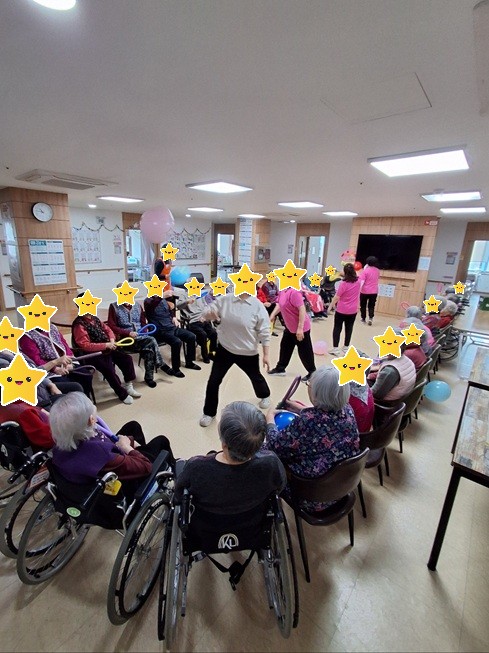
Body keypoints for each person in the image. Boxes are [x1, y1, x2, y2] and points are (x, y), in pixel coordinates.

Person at [264, 366, 360, 511]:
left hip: (311, 496)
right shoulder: (348, 410)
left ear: (316, 394)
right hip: (342, 486)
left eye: (310, 385)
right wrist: (302, 410)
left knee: (263, 451)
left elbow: (274, 445)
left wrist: (270, 419)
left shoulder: (307, 422)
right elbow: (324, 419)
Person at [49, 392, 175, 496]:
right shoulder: (101, 454)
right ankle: (174, 474)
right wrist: (127, 448)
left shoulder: (59, 447)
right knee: (161, 441)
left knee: (133, 426)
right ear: (91, 420)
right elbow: (146, 467)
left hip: (90, 471)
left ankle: (140, 450)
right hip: (123, 482)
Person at [174, 401, 286, 513]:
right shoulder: (271, 463)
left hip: (206, 522)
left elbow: (178, 496)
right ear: (260, 443)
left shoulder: (196, 467)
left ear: (224, 445)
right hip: (253, 520)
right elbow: (279, 486)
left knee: (180, 465)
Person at [198, 291, 271, 427]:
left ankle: (265, 395)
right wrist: (209, 315)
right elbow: (206, 312)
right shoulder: (225, 300)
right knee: (213, 381)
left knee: (255, 376)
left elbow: (265, 331)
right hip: (225, 349)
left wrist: (266, 354)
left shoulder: (257, 306)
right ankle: (209, 413)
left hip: (247, 352)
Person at [71, 313, 141, 404]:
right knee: (108, 369)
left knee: (127, 359)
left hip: (107, 348)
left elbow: (108, 330)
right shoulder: (79, 325)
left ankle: (128, 385)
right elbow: (85, 345)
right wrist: (106, 345)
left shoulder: (95, 318)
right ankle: (121, 393)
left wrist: (112, 340)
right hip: (92, 354)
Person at [107, 297, 173, 387]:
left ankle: (149, 378)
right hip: (126, 341)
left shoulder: (137, 305)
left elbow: (143, 323)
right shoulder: (114, 307)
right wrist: (128, 333)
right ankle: (161, 364)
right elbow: (111, 326)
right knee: (151, 341)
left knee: (149, 349)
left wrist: (143, 333)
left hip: (141, 338)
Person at [19, 324, 94, 398]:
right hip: (49, 371)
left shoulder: (53, 328)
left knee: (86, 375)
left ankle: (86, 400)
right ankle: (73, 402)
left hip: (66, 364)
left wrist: (70, 363)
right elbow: (36, 360)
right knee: (69, 384)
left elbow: (65, 346)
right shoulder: (26, 337)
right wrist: (55, 369)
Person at [144, 292, 201, 378]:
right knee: (176, 342)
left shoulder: (163, 300)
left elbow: (169, 310)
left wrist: (174, 317)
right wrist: (161, 296)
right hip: (160, 331)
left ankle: (189, 362)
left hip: (171, 327)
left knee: (191, 336)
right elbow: (152, 306)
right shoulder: (148, 301)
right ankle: (176, 368)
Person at [268, 284, 316, 382]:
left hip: (300, 328)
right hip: (290, 327)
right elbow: (279, 304)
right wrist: (272, 315)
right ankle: (280, 368)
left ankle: (312, 372)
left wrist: (300, 329)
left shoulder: (294, 292)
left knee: (304, 351)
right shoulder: (283, 291)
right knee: (285, 347)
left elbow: (302, 309)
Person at [0, 350, 71, 408]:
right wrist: (54, 362)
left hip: (42, 389)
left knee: (74, 390)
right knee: (68, 403)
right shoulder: (2, 361)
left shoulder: (15, 352)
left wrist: (51, 384)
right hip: (34, 400)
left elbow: (34, 368)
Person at [327, 263, 361, 355]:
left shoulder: (343, 283)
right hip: (353, 310)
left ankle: (335, 348)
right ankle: (346, 347)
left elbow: (337, 297)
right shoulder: (358, 282)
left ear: (345, 272)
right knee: (349, 328)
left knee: (337, 328)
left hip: (342, 310)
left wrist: (330, 306)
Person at [176, 289, 218, 363]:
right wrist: (187, 302)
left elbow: (205, 307)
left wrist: (205, 316)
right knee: (203, 334)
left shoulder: (200, 295)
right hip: (192, 321)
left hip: (203, 319)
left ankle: (211, 353)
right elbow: (178, 306)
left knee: (214, 333)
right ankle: (205, 356)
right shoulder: (183, 295)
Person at [369, 337, 416, 403]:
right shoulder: (407, 360)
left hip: (385, 402)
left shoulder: (389, 371)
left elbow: (376, 394)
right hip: (399, 395)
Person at [359, 256, 380, 325]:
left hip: (364, 291)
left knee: (363, 305)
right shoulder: (377, 270)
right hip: (374, 291)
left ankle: (363, 319)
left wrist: (358, 290)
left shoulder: (365, 271)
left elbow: (362, 281)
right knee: (371, 305)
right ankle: (371, 318)